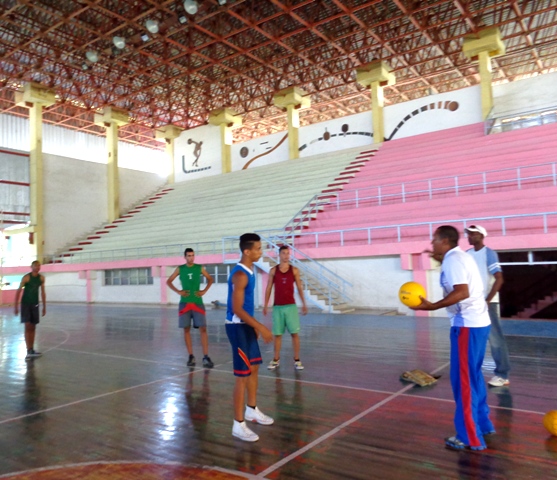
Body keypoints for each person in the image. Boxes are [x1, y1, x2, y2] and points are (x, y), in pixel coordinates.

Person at [412, 225, 494, 451]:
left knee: (464, 382)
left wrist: (432, 306)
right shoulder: (458, 257)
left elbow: (461, 292)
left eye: (434, 240)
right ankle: (483, 424)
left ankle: (469, 437)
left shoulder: (453, 260)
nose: (432, 244)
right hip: (476, 324)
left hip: (467, 326)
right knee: (474, 377)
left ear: (444, 240)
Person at [226, 233, 274, 442]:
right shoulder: (240, 275)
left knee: (254, 367)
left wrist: (253, 325)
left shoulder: (250, 270)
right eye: (258, 248)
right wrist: (260, 326)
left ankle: (251, 409)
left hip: (246, 325)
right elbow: (236, 308)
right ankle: (238, 424)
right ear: (247, 251)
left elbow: (245, 306)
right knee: (242, 375)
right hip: (237, 328)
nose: (260, 252)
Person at [465, 224, 510, 387]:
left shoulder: (489, 254)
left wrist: (487, 300)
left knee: (495, 339)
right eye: (468, 234)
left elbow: (499, 278)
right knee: (474, 338)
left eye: (472, 234)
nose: (469, 236)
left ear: (482, 235)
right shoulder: (467, 255)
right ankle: (472, 373)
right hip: (472, 304)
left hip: (487, 304)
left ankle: (502, 375)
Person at [167, 248, 214, 368]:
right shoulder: (180, 269)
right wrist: (179, 291)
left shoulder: (199, 268)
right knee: (186, 330)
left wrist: (204, 291)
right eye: (188, 256)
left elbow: (210, 279)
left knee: (203, 329)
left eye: (192, 255)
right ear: (185, 257)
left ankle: (206, 356)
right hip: (185, 304)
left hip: (198, 302)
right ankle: (191, 356)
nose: (191, 258)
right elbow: (169, 281)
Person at [263, 245, 307, 370]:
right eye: (284, 253)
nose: (286, 256)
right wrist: (266, 305)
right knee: (278, 334)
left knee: (294, 334)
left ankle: (297, 360)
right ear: (279, 255)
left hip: (291, 307)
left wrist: (303, 304)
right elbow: (269, 288)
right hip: (277, 308)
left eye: (288, 253)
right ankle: (276, 359)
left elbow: (299, 288)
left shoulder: (294, 270)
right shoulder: (273, 271)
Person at [14, 260, 46, 360]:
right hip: (26, 304)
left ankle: (31, 350)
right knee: (27, 326)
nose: (37, 267)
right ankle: (28, 350)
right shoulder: (26, 278)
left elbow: (43, 292)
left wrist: (44, 306)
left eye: (39, 265)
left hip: (35, 305)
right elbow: (18, 291)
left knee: (33, 327)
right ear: (31, 267)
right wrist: (16, 306)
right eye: (35, 265)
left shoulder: (41, 278)